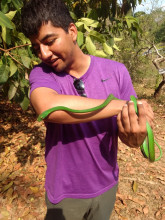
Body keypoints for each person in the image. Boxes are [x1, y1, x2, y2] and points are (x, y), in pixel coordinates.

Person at [21, 0, 154, 219]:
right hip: (65, 192)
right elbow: (47, 107)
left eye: (50, 41)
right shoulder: (42, 74)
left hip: (107, 184)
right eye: (37, 48)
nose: (44, 54)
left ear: (72, 31)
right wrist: (122, 105)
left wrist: (136, 137)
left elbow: (130, 138)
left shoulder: (117, 71)